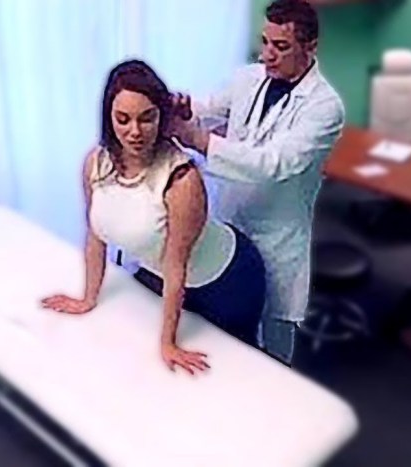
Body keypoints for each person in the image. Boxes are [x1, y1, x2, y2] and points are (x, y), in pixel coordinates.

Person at [41, 59, 267, 376]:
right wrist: (87, 299)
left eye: (147, 118)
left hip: (226, 281)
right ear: (108, 117)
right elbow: (94, 235)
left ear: (161, 117)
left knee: (238, 373)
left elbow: (176, 265)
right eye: (123, 119)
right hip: (159, 273)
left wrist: (168, 343)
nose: (135, 132)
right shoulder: (95, 163)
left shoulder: (181, 179)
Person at [168, 0, 346, 365]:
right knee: (223, 329)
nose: (267, 55)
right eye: (265, 42)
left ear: (310, 48)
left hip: (275, 241)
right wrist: (187, 110)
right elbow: (209, 108)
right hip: (229, 226)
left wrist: (199, 140)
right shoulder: (248, 78)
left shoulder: (324, 108)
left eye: (281, 46)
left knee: (273, 353)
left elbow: (274, 163)